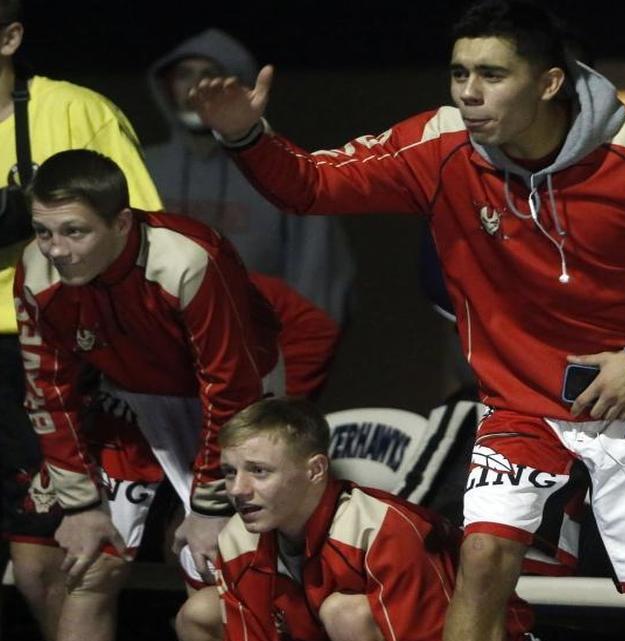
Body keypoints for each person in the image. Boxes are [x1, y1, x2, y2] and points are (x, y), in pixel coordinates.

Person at [189, 0, 625, 638]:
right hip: (519, 402)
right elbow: (310, 185)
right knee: (483, 558)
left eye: (491, 75)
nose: (469, 92)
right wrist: (246, 134)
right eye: (459, 74)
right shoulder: (439, 145)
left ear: (548, 82)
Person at [16, 149, 280, 639]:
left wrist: (209, 506)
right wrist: (80, 505)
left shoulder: (187, 257)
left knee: (213, 568)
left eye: (75, 231)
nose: (56, 249)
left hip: (239, 403)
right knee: (85, 566)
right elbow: (50, 391)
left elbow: (229, 390)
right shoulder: (36, 270)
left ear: (120, 223)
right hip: (132, 396)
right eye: (43, 230)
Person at [0, 1, 163, 638]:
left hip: (48, 355)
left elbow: (139, 232)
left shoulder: (74, 110)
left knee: (51, 560)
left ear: (10, 36)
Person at [177, 398, 534, 641]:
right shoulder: (239, 538)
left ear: (316, 470)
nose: (238, 489)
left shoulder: (385, 529)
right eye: (228, 472)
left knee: (346, 613)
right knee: (200, 610)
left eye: (259, 471)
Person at [146, 28, 354, 323]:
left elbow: (318, 270)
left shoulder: (281, 167)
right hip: (158, 342)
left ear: (239, 83)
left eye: (210, 72)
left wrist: (303, 349)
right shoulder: (143, 165)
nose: (196, 85)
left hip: (256, 342)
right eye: (184, 74)